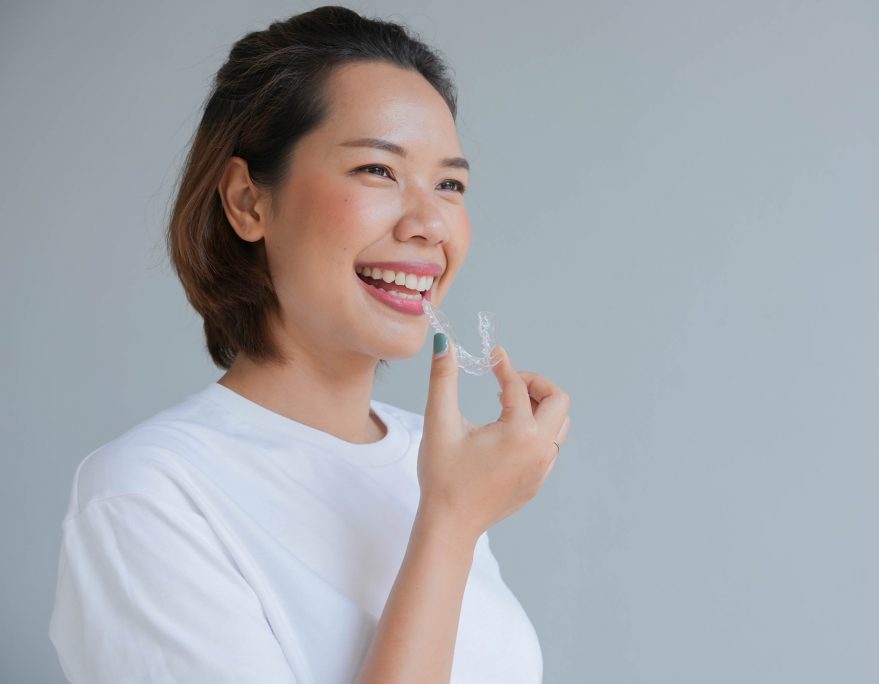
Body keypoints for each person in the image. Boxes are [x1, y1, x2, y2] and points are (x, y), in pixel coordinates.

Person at [47, 6, 571, 683]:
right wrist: (449, 523)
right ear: (247, 202)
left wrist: (455, 504)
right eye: (378, 171)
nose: (429, 224)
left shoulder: (436, 460)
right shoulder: (150, 497)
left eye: (450, 184)